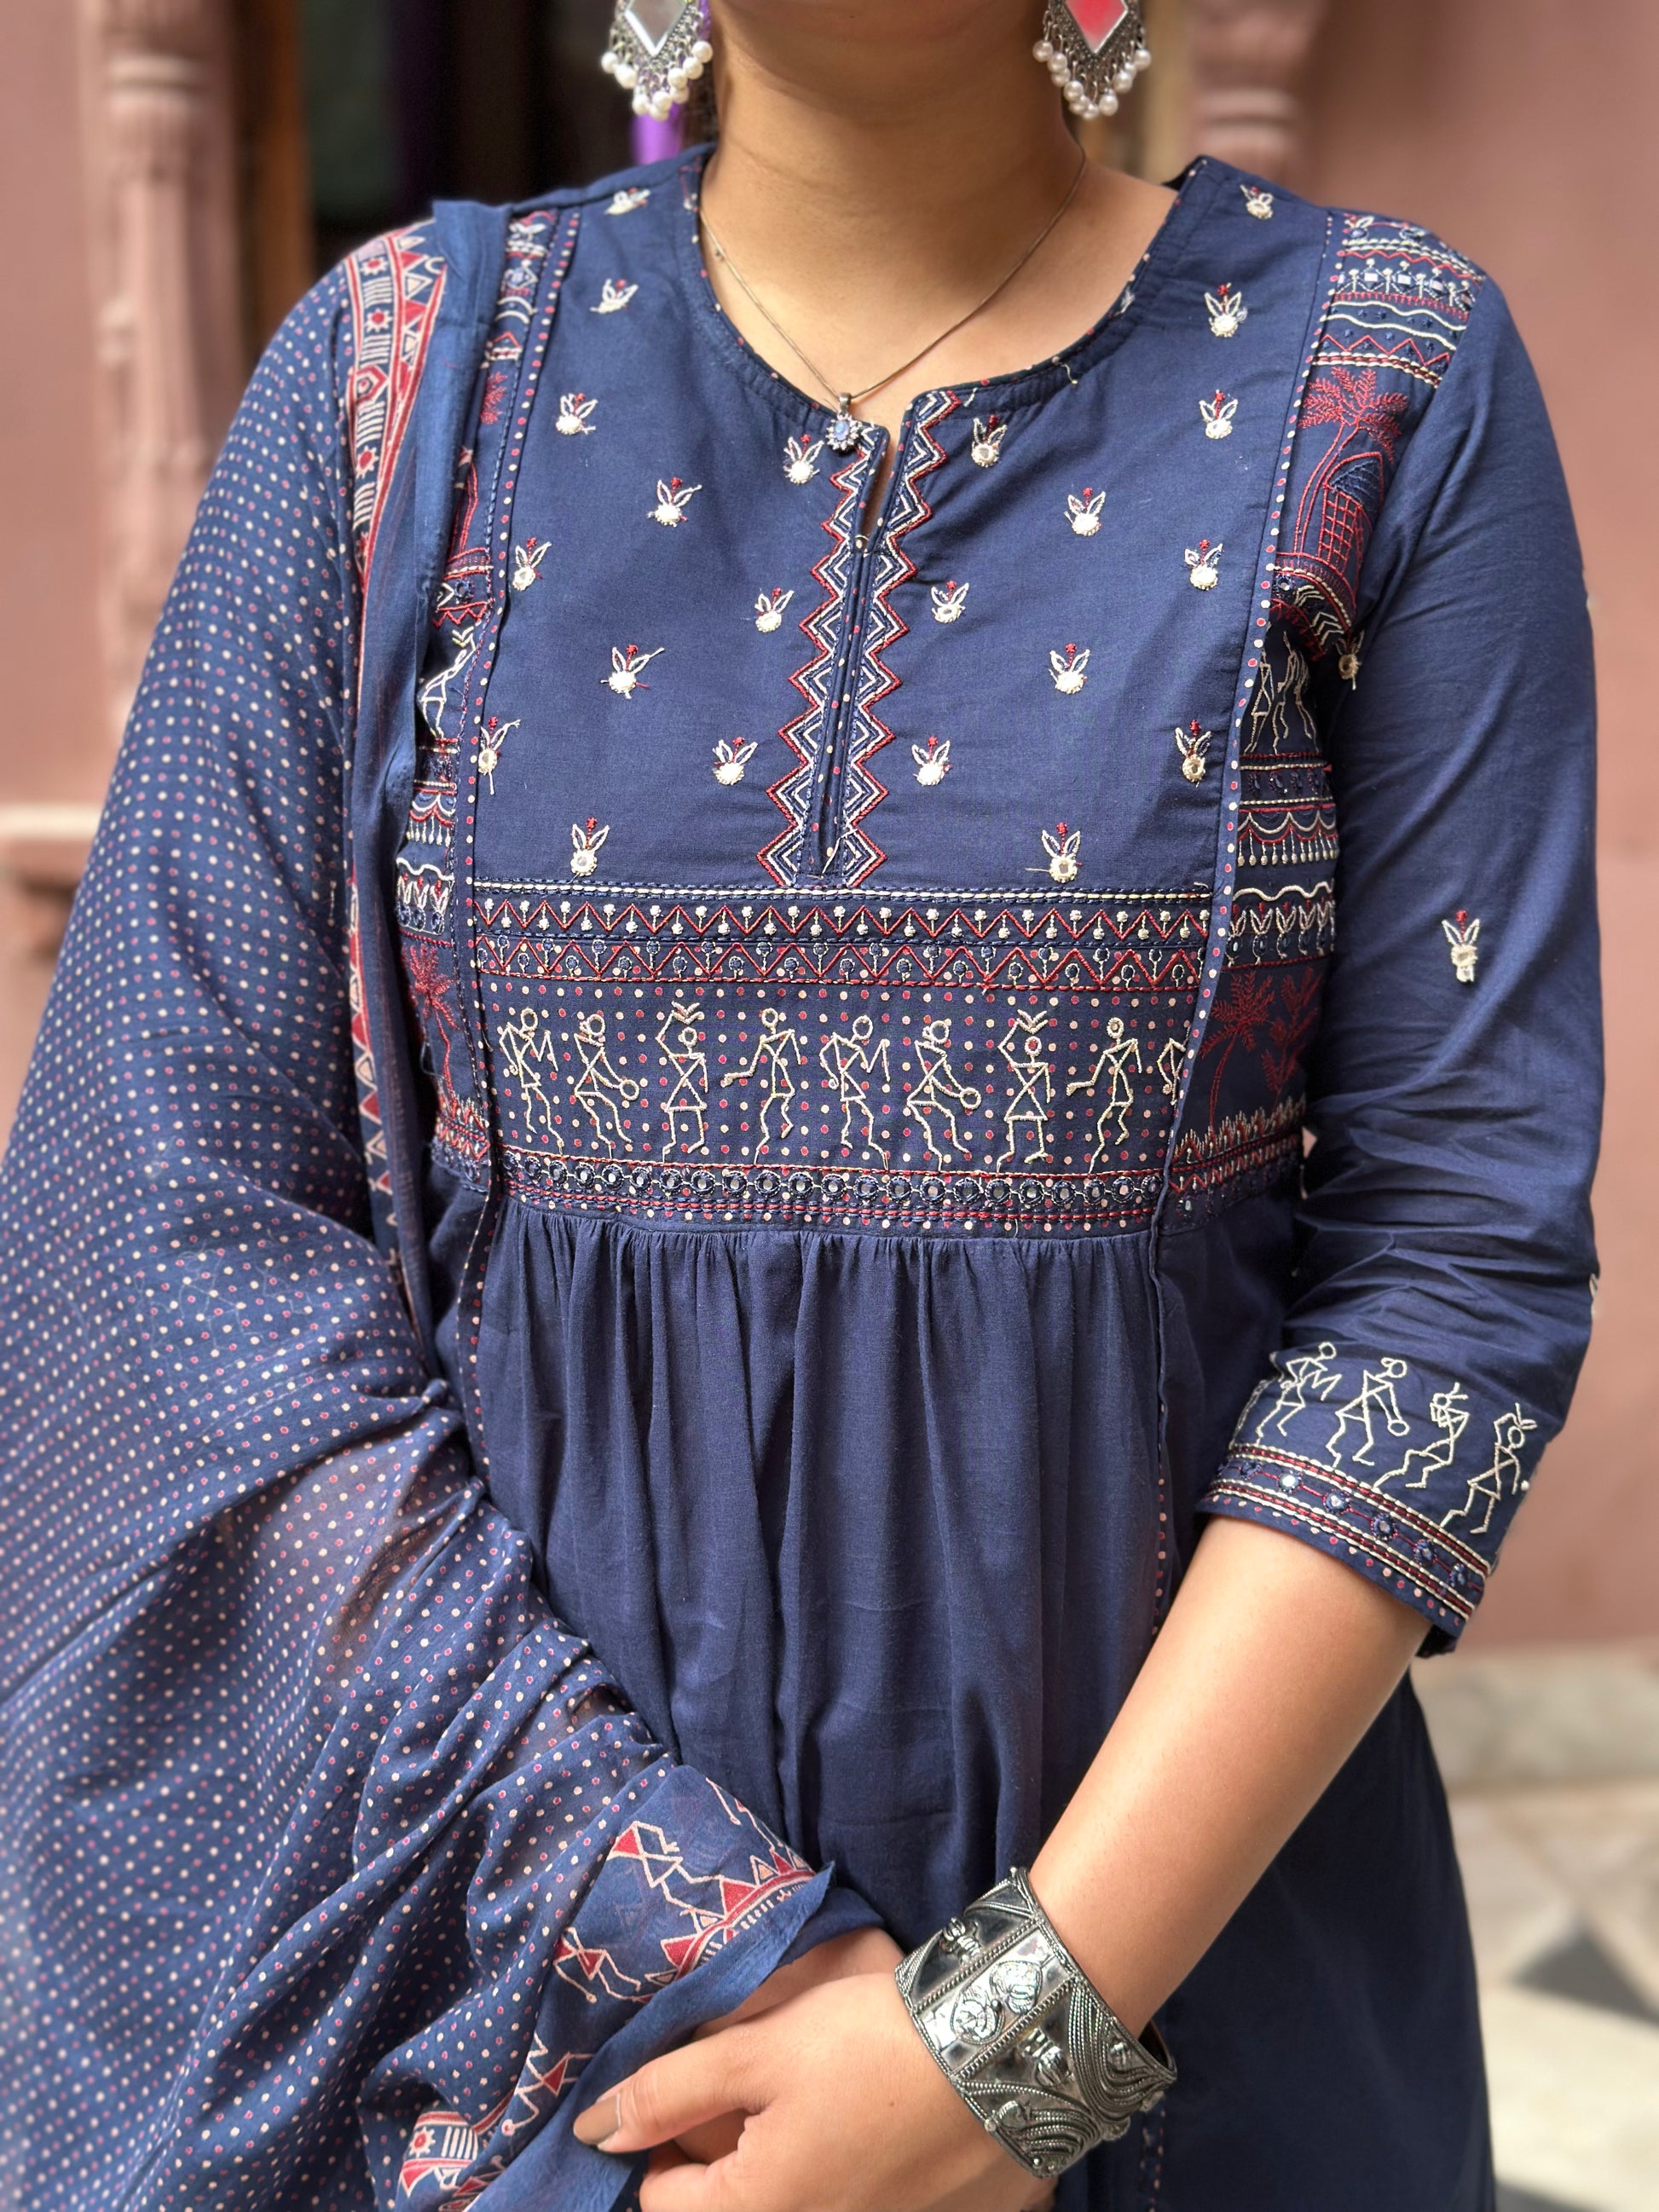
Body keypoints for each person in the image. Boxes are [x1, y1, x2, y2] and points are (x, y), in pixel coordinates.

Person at [0, 2, 1600, 2207]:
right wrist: (693, 1939)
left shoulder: (1384, 376)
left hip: (1190, 1993)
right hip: (526, 1990)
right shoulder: (394, 384)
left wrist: (1011, 2047)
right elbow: (166, 1238)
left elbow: (1454, 1276)